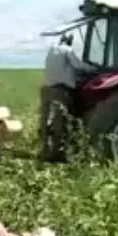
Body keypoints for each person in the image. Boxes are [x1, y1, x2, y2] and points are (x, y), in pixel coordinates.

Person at [40, 33, 95, 161]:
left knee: (44, 121)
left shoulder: (51, 50)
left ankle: (43, 150)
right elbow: (78, 65)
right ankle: (57, 154)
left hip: (45, 89)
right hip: (60, 90)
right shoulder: (67, 50)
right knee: (60, 122)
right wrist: (93, 69)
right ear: (69, 41)